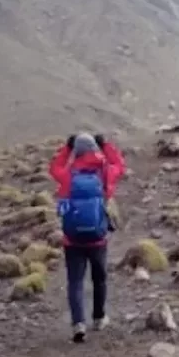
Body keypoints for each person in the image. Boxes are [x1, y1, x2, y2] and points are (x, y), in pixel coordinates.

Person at [48, 132, 125, 342]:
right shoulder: (105, 173)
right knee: (99, 278)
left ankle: (78, 324)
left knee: (75, 281)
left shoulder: (67, 174)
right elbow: (120, 164)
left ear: (77, 151)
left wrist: (67, 148)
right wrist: (105, 145)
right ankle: (99, 318)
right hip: (98, 238)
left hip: (72, 240)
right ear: (94, 149)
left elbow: (53, 168)